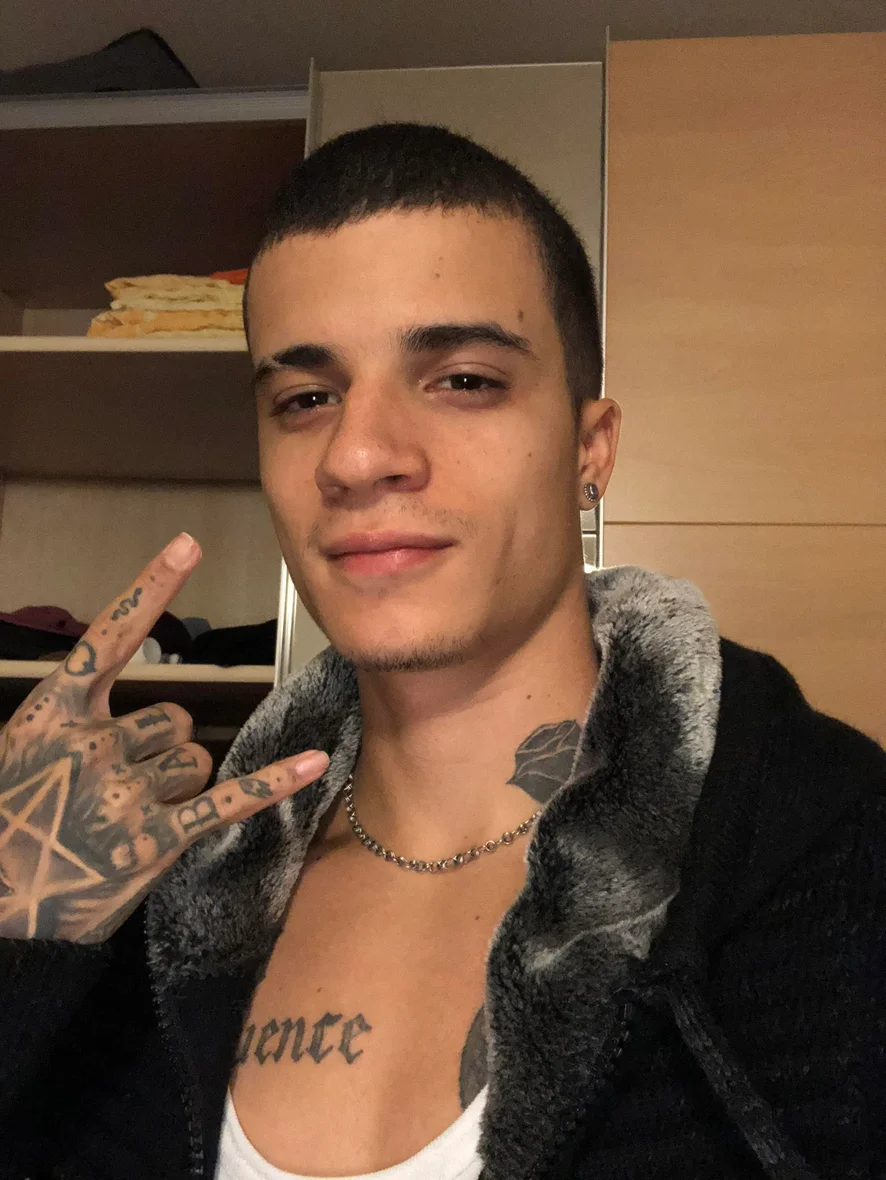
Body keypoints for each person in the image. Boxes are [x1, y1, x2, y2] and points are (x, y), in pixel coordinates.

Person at [1, 123, 883, 1180]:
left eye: (462, 379)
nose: (357, 455)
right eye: (306, 398)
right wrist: (16, 949)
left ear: (589, 448)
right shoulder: (130, 897)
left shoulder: (838, 860)